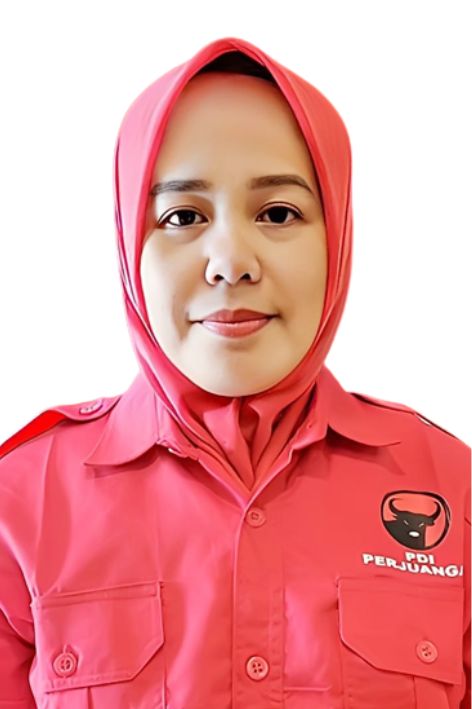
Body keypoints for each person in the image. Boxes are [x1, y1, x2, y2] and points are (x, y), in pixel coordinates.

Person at [0, 36, 469, 709]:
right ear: (129, 243)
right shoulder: (20, 502)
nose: (231, 263)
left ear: (338, 236)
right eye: (182, 217)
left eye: (278, 213)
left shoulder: (452, 485)